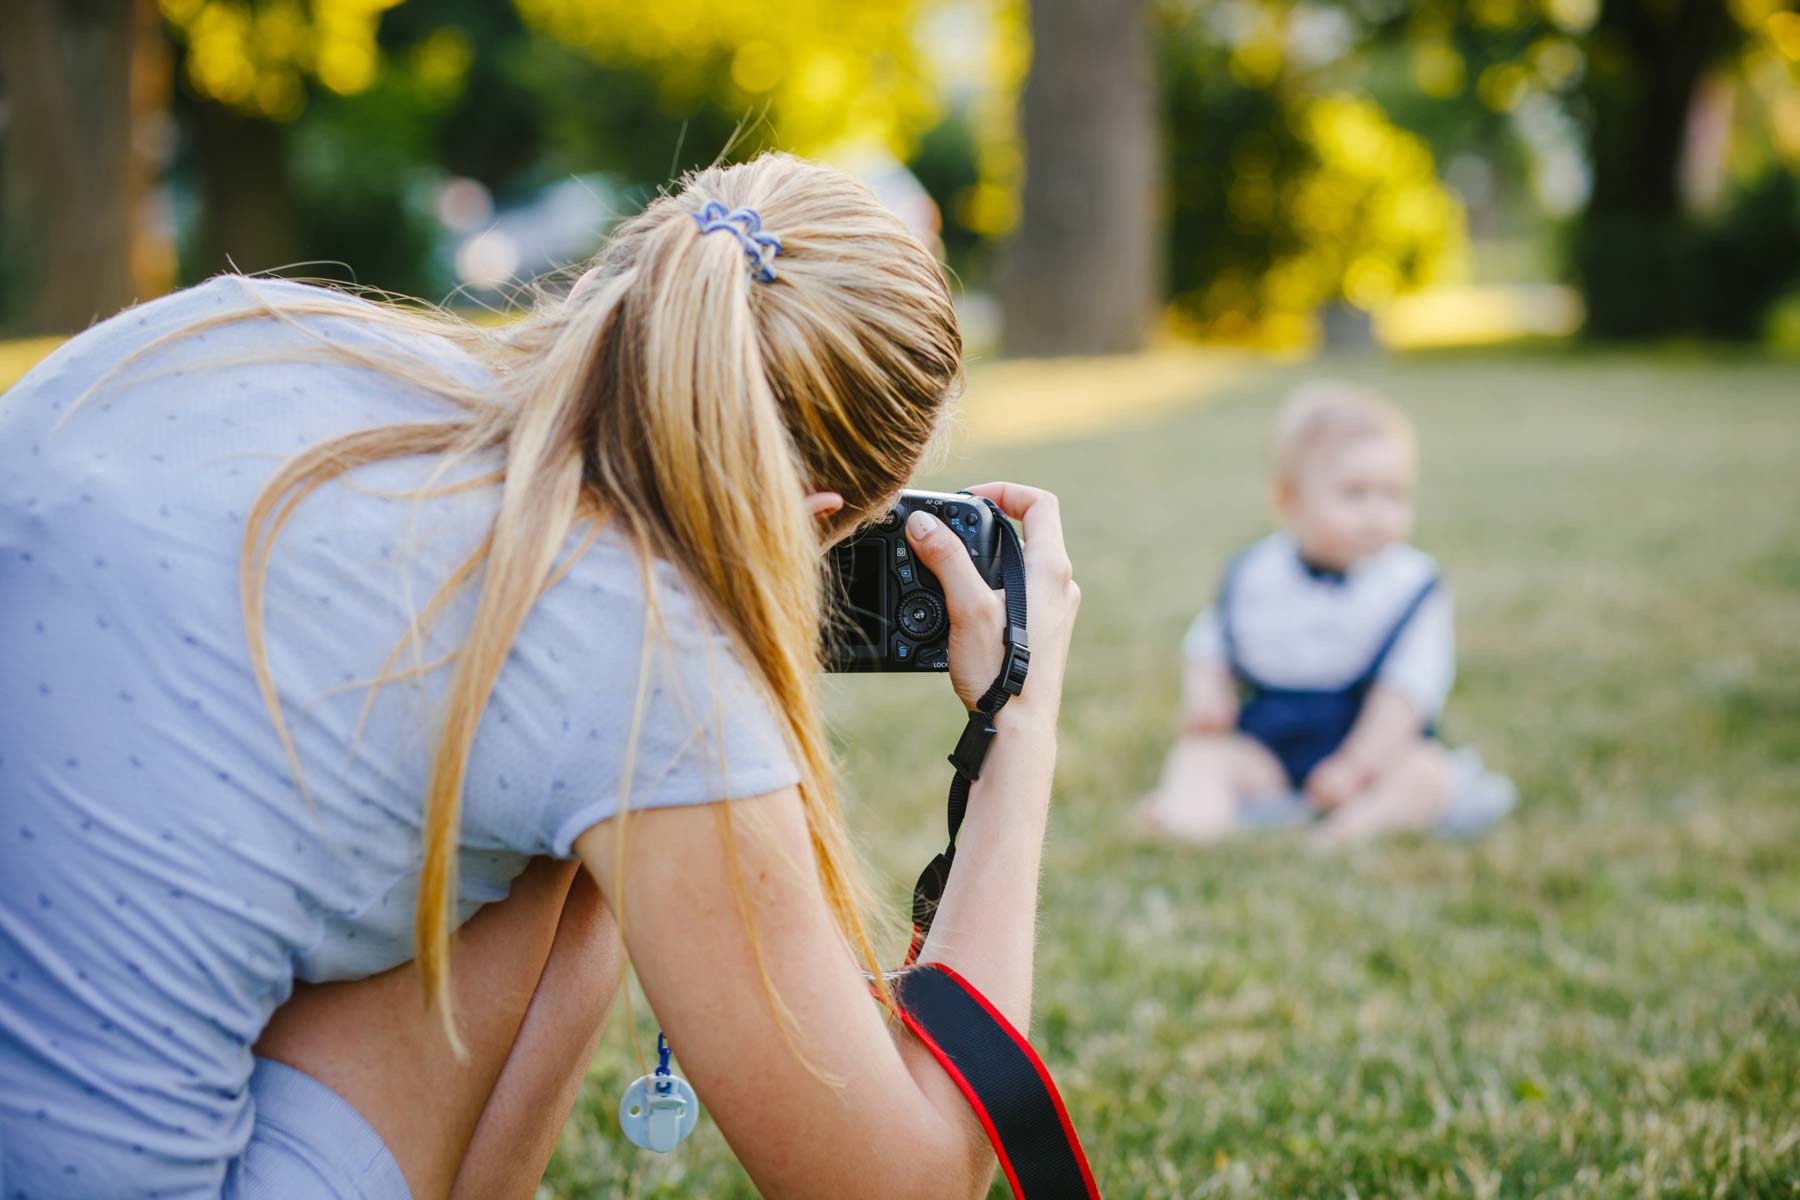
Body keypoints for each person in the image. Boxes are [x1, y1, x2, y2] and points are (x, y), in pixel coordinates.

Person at [0, 152, 1081, 1199]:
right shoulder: (629, 633)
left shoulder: (262, 328)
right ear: (814, 523)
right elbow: (904, 1185)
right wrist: (1016, 728)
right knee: (571, 855)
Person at [1134, 382, 1512, 846]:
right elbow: (1209, 644)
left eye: (1394, 495)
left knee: (1427, 774)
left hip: (1374, 745)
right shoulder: (1259, 574)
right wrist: (1208, 694)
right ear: (1289, 501)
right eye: (1354, 494)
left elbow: (1407, 695)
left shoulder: (1411, 586)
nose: (1377, 514)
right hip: (1271, 745)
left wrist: (1357, 765)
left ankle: (1354, 829)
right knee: (1200, 755)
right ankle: (1191, 818)